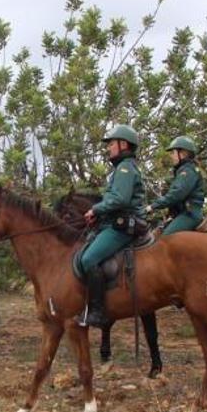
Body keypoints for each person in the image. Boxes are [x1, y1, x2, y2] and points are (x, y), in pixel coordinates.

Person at [78, 124, 147, 327]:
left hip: (123, 226)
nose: (109, 148)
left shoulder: (125, 167)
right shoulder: (122, 168)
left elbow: (120, 199)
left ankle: (98, 313)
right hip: (115, 222)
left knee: (89, 258)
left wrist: (95, 210)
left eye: (111, 144)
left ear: (123, 144)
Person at [145, 136, 205, 235]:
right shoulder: (184, 170)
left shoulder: (188, 171)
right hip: (181, 214)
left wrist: (152, 206)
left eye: (173, 153)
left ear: (183, 154)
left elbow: (177, 194)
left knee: (164, 241)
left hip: (189, 214)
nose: (171, 156)